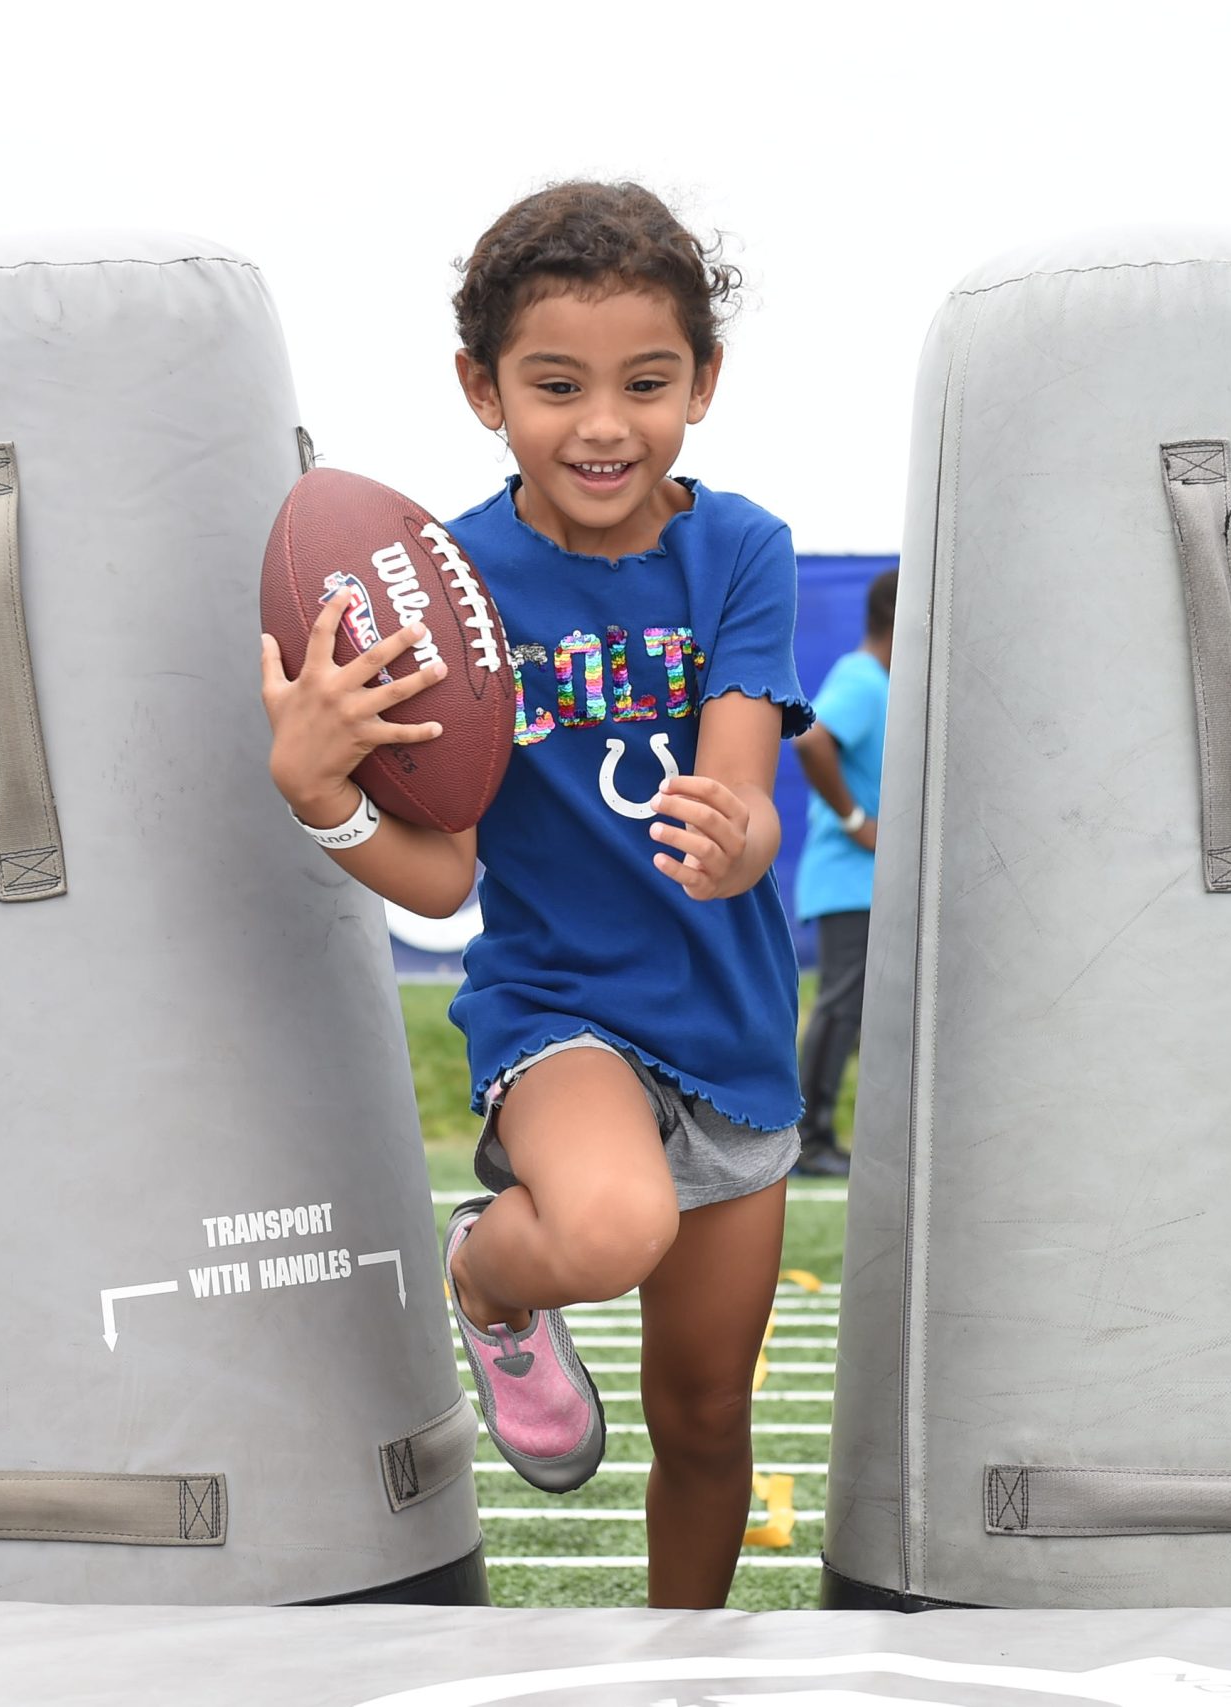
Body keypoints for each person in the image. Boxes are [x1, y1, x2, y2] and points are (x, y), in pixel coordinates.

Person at [260, 181, 808, 1609]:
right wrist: (326, 796)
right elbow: (441, 873)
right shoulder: (443, 581)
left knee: (705, 1421)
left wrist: (735, 838)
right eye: (556, 384)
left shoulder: (742, 548)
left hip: (736, 1033)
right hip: (559, 1012)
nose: (605, 423)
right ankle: (493, 1275)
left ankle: (679, 1660)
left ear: (706, 381)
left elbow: (739, 791)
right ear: (482, 389)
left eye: (648, 381)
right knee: (612, 1226)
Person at [788, 568, 899, 1179]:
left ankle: (825, 1134)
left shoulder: (882, 681)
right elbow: (811, 741)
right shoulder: (862, 678)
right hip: (849, 877)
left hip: (866, 880)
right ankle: (809, 1139)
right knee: (840, 1005)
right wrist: (857, 819)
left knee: (858, 1009)